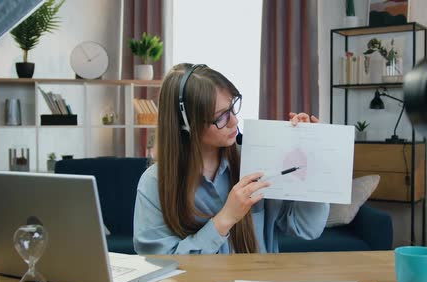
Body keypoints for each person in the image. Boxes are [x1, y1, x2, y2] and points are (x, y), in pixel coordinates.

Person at [133, 63, 329, 254]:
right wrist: (226, 218)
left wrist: (308, 154)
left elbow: (306, 229)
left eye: (232, 107)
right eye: (221, 117)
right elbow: (160, 263)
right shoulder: (154, 183)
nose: (234, 121)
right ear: (186, 125)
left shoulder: (257, 160)